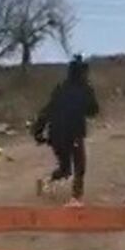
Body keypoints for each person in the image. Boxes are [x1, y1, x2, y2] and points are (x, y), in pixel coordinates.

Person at [31, 55, 100, 206]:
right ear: (83, 73)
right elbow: (93, 110)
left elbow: (46, 111)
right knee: (79, 167)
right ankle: (75, 199)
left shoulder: (60, 88)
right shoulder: (85, 89)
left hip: (56, 135)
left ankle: (45, 182)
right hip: (73, 133)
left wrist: (38, 131)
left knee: (65, 168)